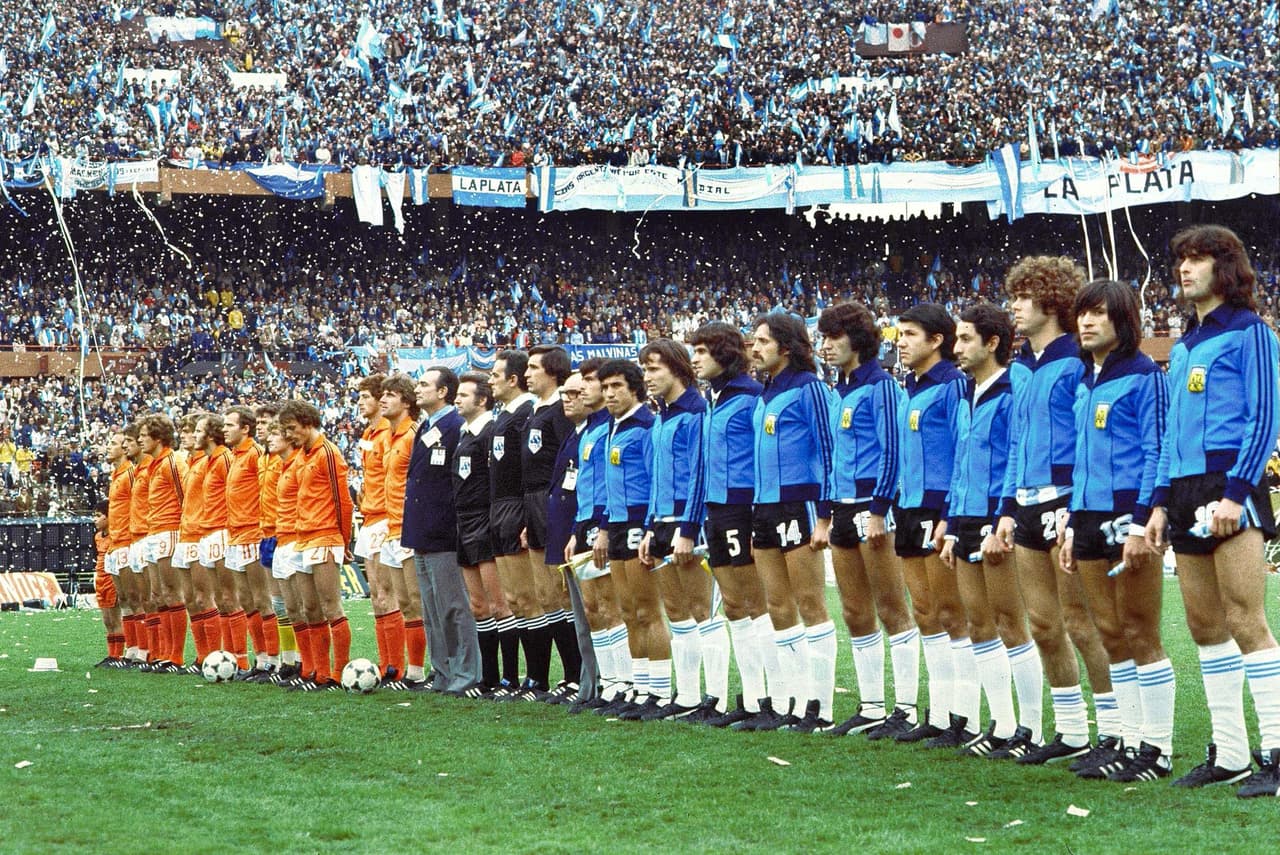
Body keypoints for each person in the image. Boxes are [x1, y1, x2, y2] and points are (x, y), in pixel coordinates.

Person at [1145, 225, 1280, 796]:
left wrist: (1237, 490)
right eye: (1181, 259)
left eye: (1198, 258)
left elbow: (1266, 416)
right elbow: (1170, 433)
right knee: (1205, 627)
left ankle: (1275, 749)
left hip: (1231, 486)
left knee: (1247, 619)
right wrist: (1156, 504)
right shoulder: (1183, 346)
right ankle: (1229, 754)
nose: (1184, 268)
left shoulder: (1252, 332)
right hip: (1181, 490)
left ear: (1225, 267)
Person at [992, 256, 1113, 766]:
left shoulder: (1077, 361)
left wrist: (1075, 501)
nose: (1014, 307)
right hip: (1024, 502)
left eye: (1023, 297)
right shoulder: (1021, 366)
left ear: (1049, 301)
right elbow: (1018, 440)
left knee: (1082, 623)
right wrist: (1005, 505)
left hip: (1065, 499)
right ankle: (1070, 731)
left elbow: (1086, 435)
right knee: (1043, 624)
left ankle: (1113, 731)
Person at [1059, 280, 1174, 781]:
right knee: (1109, 632)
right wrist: (1068, 522)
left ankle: (1159, 750)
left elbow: (1155, 450)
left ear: (1122, 321)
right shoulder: (1086, 379)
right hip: (1083, 517)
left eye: (1098, 314)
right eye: (1082, 314)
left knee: (1140, 630)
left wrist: (1142, 519)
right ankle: (1128, 741)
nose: (1086, 323)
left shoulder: (1146, 375)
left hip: (1128, 518)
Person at [816, 303, 919, 738]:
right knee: (856, 611)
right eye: (822, 338)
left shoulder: (881, 387)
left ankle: (908, 709)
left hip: (871, 510)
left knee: (893, 608)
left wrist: (879, 509)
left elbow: (893, 451)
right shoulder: (840, 390)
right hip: (841, 509)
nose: (825, 346)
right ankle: (873, 705)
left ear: (856, 339)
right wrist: (824, 515)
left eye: (833, 337)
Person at [941, 303, 1038, 756]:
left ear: (992, 343)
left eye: (964, 339)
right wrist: (949, 520)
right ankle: (1001, 725)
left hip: (997, 516)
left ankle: (1031, 730)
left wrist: (1007, 518)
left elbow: (1017, 456)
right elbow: (962, 462)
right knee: (978, 622)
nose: (956, 347)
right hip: (964, 516)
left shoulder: (1015, 387)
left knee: (1010, 621)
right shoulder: (968, 392)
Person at [737, 312, 837, 732]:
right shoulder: (765, 393)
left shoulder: (810, 388)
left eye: (762, 341)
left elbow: (829, 451)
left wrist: (825, 516)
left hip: (800, 505)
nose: (754, 348)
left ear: (787, 347)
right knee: (778, 606)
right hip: (765, 507)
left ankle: (822, 708)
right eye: (753, 341)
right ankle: (793, 703)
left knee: (811, 604)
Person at [890, 304, 973, 746]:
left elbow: (964, 451)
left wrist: (950, 515)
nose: (900, 342)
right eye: (898, 334)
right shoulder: (911, 386)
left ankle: (967, 718)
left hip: (939, 508)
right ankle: (940, 714)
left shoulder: (954, 386)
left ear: (937, 340)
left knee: (951, 614)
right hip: (909, 506)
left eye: (909, 334)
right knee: (925, 614)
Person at [687, 322, 776, 728]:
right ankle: (752, 696)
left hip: (743, 508)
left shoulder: (751, 397)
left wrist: (758, 514)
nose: (696, 358)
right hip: (716, 510)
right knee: (735, 608)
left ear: (724, 353)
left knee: (756, 605)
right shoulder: (715, 398)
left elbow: (761, 459)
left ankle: (772, 698)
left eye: (703, 351)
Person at [638, 338, 726, 721]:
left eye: (654, 368)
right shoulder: (662, 414)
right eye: (644, 369)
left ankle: (718, 698)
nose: (647, 376)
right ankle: (688, 695)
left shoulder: (697, 411)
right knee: (676, 611)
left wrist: (689, 527)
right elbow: (657, 476)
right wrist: (648, 526)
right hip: (660, 523)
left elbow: (699, 476)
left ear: (677, 367)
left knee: (702, 611)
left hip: (687, 525)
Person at [595, 358, 668, 720]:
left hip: (640, 523)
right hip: (618, 525)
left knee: (647, 610)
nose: (609, 394)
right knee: (627, 612)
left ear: (635, 389)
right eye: (605, 388)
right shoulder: (613, 426)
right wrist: (606, 528)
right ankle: (640, 688)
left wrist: (651, 527)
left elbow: (656, 480)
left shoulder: (646, 426)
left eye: (616, 387)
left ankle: (662, 688)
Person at [404, 366, 482, 696]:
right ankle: (442, 672)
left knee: (453, 606)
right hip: (421, 531)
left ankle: (465, 674)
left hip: (444, 532)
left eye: (424, 384)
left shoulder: (455, 427)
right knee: (432, 610)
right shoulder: (427, 425)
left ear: (442, 392)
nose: (417, 389)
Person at [565, 358, 633, 714]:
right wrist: (578, 530)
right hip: (586, 524)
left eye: (591, 382)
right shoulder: (591, 429)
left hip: (606, 525)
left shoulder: (612, 427)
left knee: (611, 606)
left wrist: (603, 528)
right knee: (593, 609)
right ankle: (609, 683)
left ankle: (625, 682)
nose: (585, 390)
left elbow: (611, 487)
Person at [281, 398, 354, 691]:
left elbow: (343, 501)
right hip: (302, 537)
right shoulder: (301, 455)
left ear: (308, 423)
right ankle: (317, 672)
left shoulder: (328, 452)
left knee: (330, 606)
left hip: (324, 535)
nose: (289, 435)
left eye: (292, 428)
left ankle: (338, 672)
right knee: (309, 608)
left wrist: (344, 540)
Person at [452, 371, 518, 695]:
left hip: (484, 521)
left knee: (499, 604)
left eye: (464, 395)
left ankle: (510, 677)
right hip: (463, 523)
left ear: (482, 400)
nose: (457, 399)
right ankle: (488, 678)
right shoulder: (464, 435)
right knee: (478, 606)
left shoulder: (490, 432)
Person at [522, 345, 581, 700]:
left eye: (533, 367)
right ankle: (567, 674)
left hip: (553, 503)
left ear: (554, 373)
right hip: (535, 506)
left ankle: (576, 673)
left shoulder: (560, 411)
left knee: (561, 593)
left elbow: (565, 463)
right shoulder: (536, 411)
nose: (527, 373)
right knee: (547, 595)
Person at [545, 370, 601, 705]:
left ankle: (598, 685)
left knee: (597, 614)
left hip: (586, 531)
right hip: (571, 532)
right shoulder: (574, 433)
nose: (568, 398)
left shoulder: (591, 434)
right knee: (582, 615)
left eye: (576, 393)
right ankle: (587, 684)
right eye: (565, 392)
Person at [487, 350, 540, 698]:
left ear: (513, 380)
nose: (490, 380)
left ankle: (539, 676)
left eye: (495, 374)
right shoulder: (503, 416)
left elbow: (527, 470)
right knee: (514, 599)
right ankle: (524, 677)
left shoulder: (526, 413)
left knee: (529, 597)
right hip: (498, 509)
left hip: (517, 509)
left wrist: (523, 516)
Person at [353, 375, 401, 680]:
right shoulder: (369, 432)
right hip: (370, 517)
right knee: (376, 596)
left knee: (388, 594)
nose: (361, 402)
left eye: (366, 397)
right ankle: (385, 663)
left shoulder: (387, 433)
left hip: (385, 518)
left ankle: (396, 666)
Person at [379, 375, 425, 688]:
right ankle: (411, 670)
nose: (383, 400)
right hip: (390, 526)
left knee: (417, 600)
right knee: (404, 602)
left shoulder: (413, 434)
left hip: (409, 526)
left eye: (391, 395)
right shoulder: (388, 436)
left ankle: (420, 670)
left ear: (406, 402)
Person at [197, 414, 247, 673]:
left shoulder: (225, 458)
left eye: (197, 431)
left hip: (222, 532)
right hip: (208, 533)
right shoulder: (209, 461)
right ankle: (229, 656)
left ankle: (240, 659)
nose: (194, 435)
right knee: (220, 598)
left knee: (230, 597)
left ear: (209, 434)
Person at [140, 414, 189, 673]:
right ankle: (164, 653)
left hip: (169, 530)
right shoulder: (153, 464)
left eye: (144, 435)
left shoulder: (173, 462)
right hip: (153, 531)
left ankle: (176, 656)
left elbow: (185, 497)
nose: (140, 440)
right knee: (158, 595)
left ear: (158, 438)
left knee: (172, 592)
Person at [105, 429, 141, 666]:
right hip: (115, 543)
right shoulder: (116, 474)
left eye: (113, 443)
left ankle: (142, 649)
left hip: (127, 541)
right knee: (125, 599)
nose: (109, 447)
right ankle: (132, 648)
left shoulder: (129, 473)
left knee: (136, 598)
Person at [92, 499, 124, 667]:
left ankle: (118, 655)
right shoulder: (98, 537)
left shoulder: (116, 535)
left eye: (98, 516)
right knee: (107, 621)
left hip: (111, 578)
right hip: (100, 579)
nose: (95, 519)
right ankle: (111, 654)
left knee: (115, 619)